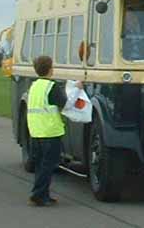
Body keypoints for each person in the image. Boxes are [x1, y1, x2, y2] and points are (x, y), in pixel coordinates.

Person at [27, 55, 83, 206]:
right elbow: (67, 105)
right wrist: (77, 89)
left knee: (40, 165)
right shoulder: (51, 86)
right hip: (50, 132)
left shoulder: (34, 86)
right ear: (50, 69)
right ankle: (38, 195)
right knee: (48, 166)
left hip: (35, 131)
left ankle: (42, 194)